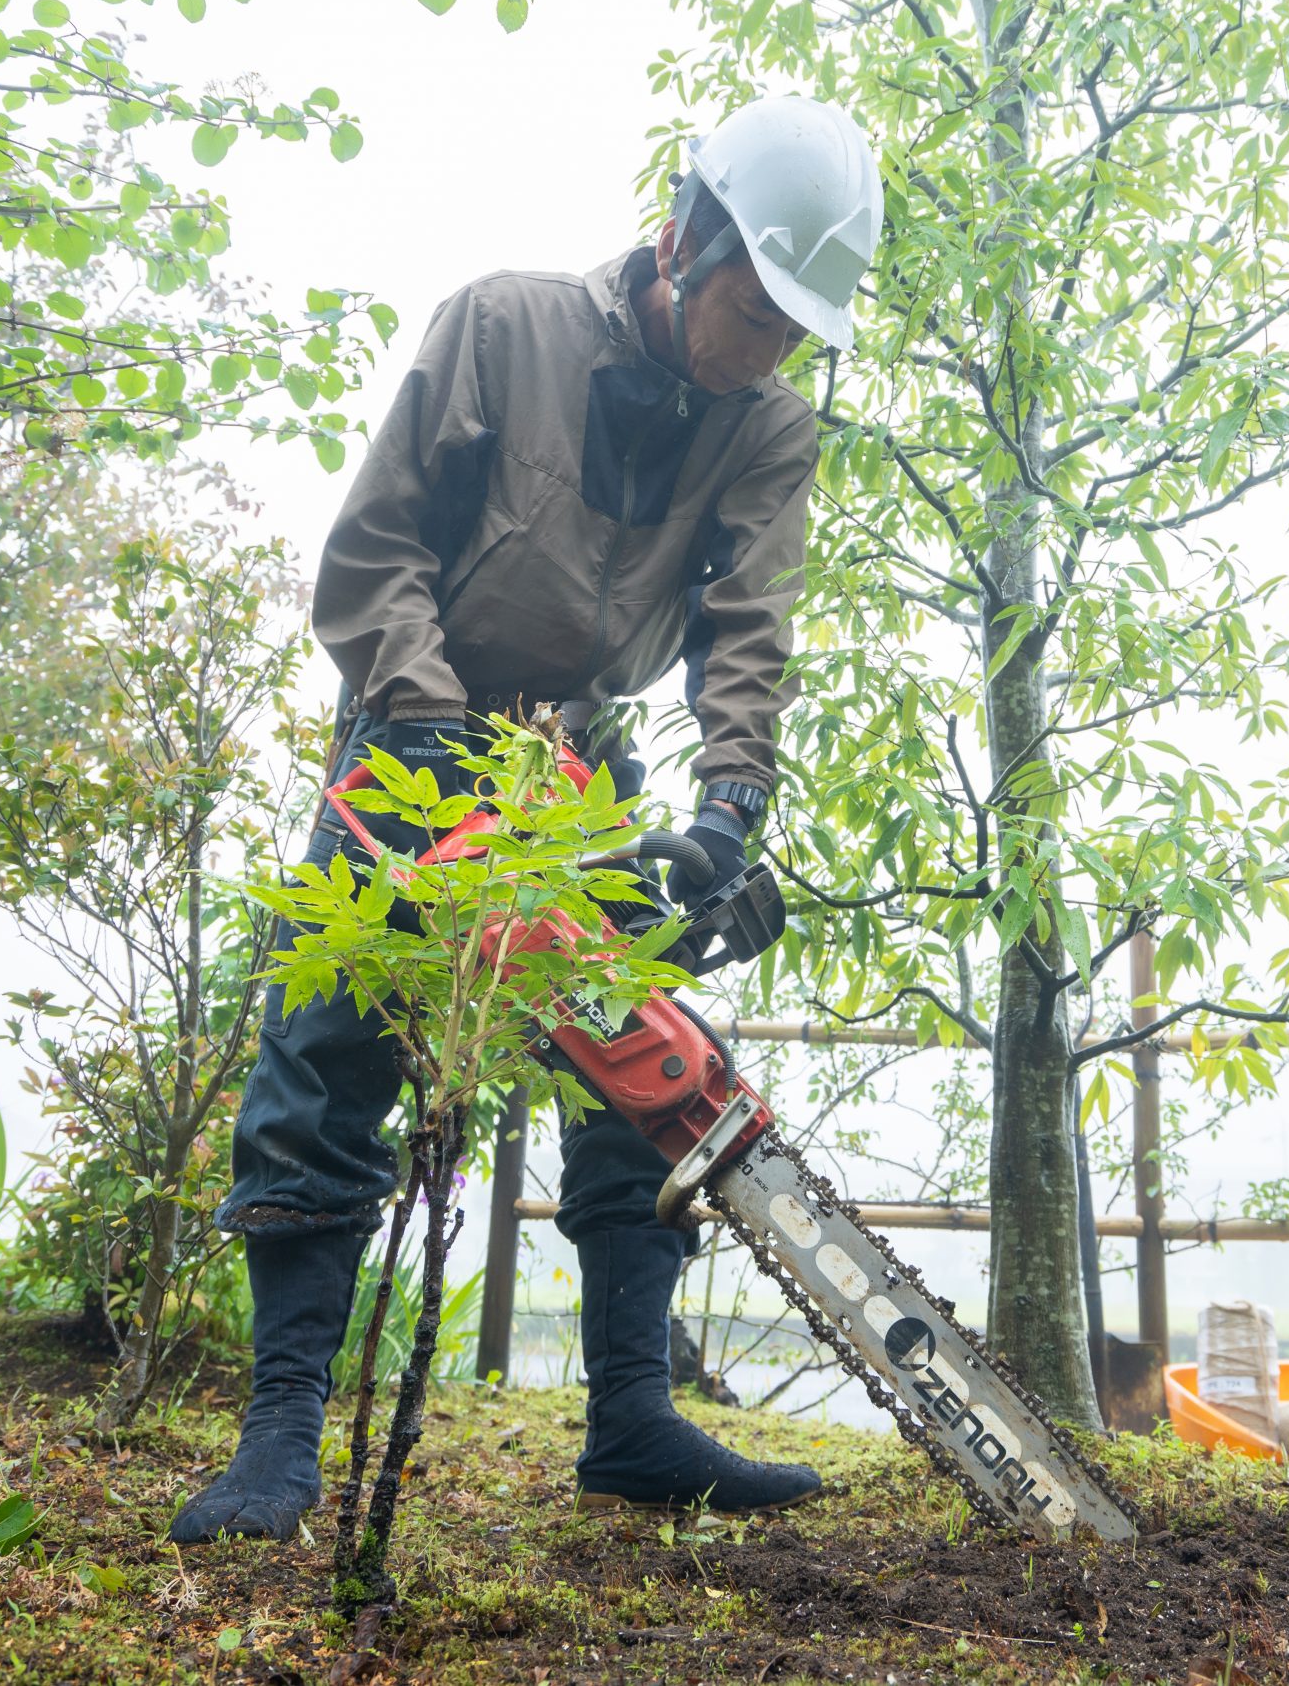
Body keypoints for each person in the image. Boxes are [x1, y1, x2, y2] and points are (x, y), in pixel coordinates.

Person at [168, 96, 883, 1545]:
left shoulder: (768, 426)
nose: (763, 354)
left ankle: (629, 1415)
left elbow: (750, 626)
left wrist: (728, 815)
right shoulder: (505, 327)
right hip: (420, 719)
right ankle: (279, 1441)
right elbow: (374, 548)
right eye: (751, 314)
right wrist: (430, 733)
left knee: (638, 1065)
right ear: (686, 243)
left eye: (792, 334)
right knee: (327, 1050)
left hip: (581, 764)